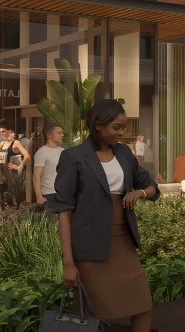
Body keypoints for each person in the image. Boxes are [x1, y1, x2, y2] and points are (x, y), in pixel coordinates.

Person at [54, 100, 159, 332]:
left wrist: (140, 193)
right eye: (116, 127)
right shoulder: (74, 157)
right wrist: (68, 263)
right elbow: (64, 211)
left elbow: (152, 186)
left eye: (123, 127)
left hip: (123, 242)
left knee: (142, 303)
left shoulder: (123, 153)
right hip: (90, 250)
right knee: (95, 313)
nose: (121, 133)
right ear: (98, 126)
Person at [0, 122, 29, 209]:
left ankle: (20, 211)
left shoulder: (16, 143)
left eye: (4, 131)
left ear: (9, 131)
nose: (2, 134)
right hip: (3, 172)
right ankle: (5, 214)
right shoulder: (2, 143)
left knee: (16, 192)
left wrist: (19, 166)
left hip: (12, 172)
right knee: (4, 194)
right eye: (0, 132)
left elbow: (27, 156)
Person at [33, 123, 66, 210]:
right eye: (59, 133)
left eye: (62, 133)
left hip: (62, 194)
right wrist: (39, 196)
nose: (62, 135)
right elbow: (36, 176)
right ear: (49, 135)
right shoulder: (42, 152)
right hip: (48, 194)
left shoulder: (62, 151)